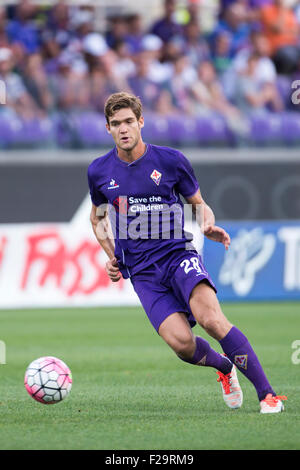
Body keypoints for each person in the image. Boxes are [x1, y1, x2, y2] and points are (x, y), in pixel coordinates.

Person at [88, 91, 286, 414]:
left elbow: (199, 205)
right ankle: (224, 367)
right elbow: (96, 217)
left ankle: (268, 395)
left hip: (178, 255)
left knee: (212, 320)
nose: (123, 129)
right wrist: (111, 255)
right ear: (107, 128)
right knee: (181, 344)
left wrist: (207, 224)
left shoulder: (171, 161)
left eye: (128, 121)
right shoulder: (99, 171)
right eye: (115, 124)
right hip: (143, 272)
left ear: (141, 122)